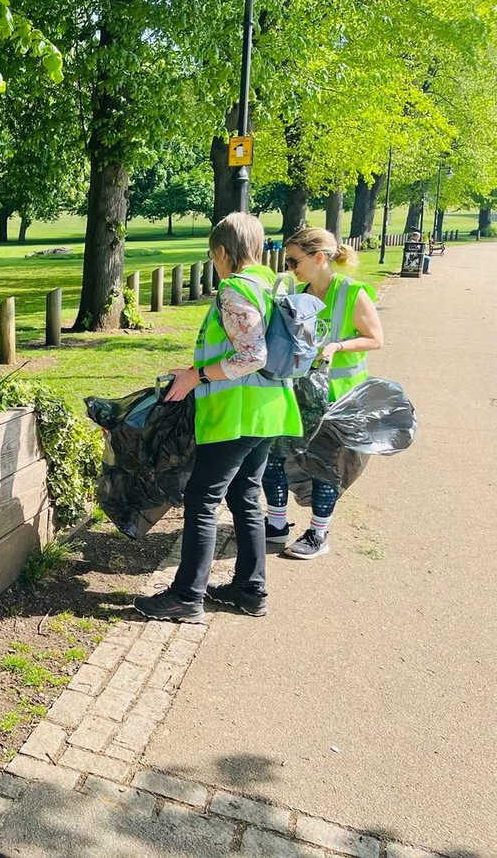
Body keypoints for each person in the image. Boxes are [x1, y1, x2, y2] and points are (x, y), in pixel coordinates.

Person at [134, 212, 302, 622]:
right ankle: (250, 588)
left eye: (214, 256)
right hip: (268, 411)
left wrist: (196, 376)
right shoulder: (269, 283)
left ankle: (186, 596)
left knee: (202, 499)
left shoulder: (235, 289)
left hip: (237, 415)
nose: (215, 263)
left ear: (222, 252)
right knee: (244, 494)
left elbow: (252, 355)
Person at [263, 227, 384, 559]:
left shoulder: (351, 293)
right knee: (275, 454)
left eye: (293, 260)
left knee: (325, 464)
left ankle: (318, 533)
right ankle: (275, 525)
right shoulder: (299, 294)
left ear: (318, 258)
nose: (289, 267)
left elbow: (375, 338)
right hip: (298, 395)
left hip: (338, 398)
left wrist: (337, 345)